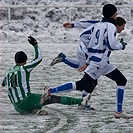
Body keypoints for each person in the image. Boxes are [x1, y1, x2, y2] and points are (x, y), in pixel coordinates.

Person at [48, 4, 133, 119]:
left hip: (102, 62)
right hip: (100, 62)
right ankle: (50, 91)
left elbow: (83, 35)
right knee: (82, 84)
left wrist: (92, 50)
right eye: (116, 12)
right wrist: (121, 46)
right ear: (113, 14)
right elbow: (112, 45)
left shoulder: (98, 24)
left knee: (121, 80)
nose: (117, 14)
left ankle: (119, 112)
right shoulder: (111, 26)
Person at [1, 36, 91, 115]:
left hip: (17, 107)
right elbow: (38, 59)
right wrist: (35, 45)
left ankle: (34, 109)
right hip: (26, 101)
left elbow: (3, 83)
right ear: (25, 61)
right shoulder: (24, 68)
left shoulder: (9, 72)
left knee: (36, 98)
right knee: (52, 98)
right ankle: (81, 101)